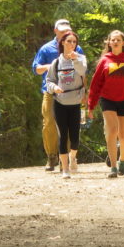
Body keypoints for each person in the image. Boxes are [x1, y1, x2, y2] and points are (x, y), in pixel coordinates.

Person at [86, 29, 124, 178]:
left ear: (123, 43)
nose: (115, 42)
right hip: (108, 100)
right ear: (109, 43)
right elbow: (95, 84)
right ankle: (113, 167)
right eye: (113, 40)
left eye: (118, 40)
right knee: (111, 131)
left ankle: (122, 160)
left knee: (123, 134)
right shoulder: (105, 60)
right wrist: (91, 105)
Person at [32, 18, 85, 172]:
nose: (65, 34)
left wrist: (84, 93)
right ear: (55, 31)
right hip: (50, 91)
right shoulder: (46, 49)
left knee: (69, 126)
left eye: (67, 31)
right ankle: (51, 156)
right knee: (49, 123)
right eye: (62, 31)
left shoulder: (77, 48)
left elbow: (83, 72)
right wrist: (51, 67)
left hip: (72, 93)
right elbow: (36, 69)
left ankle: (67, 159)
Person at [44, 29, 87, 179]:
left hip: (75, 103)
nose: (71, 44)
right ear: (62, 42)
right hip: (60, 103)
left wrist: (75, 59)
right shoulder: (56, 62)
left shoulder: (81, 58)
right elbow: (48, 81)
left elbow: (82, 71)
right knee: (63, 135)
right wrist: (54, 88)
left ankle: (73, 156)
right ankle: (65, 169)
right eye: (69, 41)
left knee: (75, 137)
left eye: (74, 42)